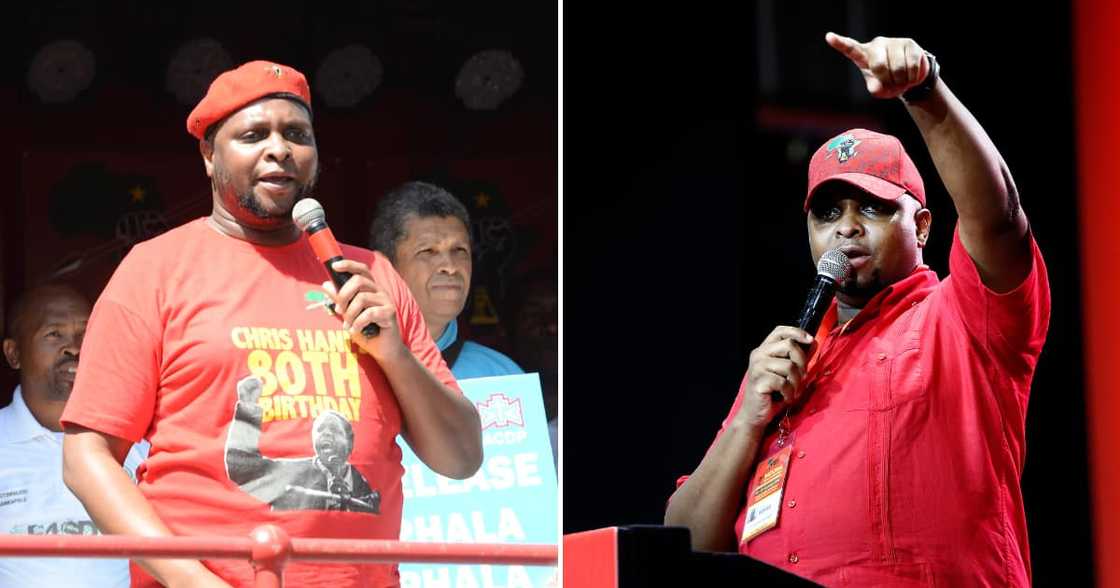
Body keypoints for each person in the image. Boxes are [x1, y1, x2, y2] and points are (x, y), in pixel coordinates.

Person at [59, 60, 482, 588]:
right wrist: (195, 583)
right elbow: (85, 456)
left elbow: (462, 458)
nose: (279, 148)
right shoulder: (155, 270)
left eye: (296, 134)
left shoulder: (371, 275)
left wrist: (393, 352)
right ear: (209, 155)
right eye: (254, 134)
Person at [665, 33, 1049, 586]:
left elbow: (1000, 219)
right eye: (827, 212)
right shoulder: (784, 365)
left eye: (871, 206)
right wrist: (748, 418)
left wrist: (926, 93)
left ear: (920, 226)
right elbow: (683, 542)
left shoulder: (963, 320)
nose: (846, 227)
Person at [0, 284, 146, 587]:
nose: (75, 348)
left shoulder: (138, 441)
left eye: (86, 332)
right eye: (54, 334)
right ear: (13, 354)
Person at [369, 181, 522, 379]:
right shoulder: (345, 368)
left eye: (459, 250)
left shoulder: (502, 376)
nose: (450, 267)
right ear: (385, 267)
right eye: (428, 251)